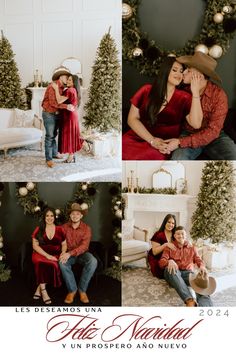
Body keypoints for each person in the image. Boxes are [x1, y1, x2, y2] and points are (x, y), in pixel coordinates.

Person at [122, 56, 203, 160]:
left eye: (181, 71)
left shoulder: (184, 97)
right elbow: (132, 119)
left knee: (144, 160)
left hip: (162, 145)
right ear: (165, 70)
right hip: (137, 137)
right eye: (174, 70)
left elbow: (196, 124)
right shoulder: (146, 90)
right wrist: (152, 140)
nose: (179, 74)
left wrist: (195, 92)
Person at [166, 51, 236, 160]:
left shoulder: (218, 95)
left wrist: (180, 142)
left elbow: (213, 131)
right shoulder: (183, 91)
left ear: (199, 76)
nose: (183, 72)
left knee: (233, 158)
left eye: (188, 70)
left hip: (215, 137)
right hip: (189, 133)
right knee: (177, 161)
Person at [159, 226, 215, 307]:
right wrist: (169, 261)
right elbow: (161, 263)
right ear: (174, 236)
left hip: (188, 273)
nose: (180, 236)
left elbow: (198, 260)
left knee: (200, 283)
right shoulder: (169, 247)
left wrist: (202, 266)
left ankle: (206, 308)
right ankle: (189, 300)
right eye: (178, 234)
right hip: (173, 274)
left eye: (182, 234)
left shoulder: (192, 248)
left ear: (186, 235)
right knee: (170, 270)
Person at [59, 203, 97, 304]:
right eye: (73, 214)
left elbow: (84, 246)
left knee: (93, 261)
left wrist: (70, 253)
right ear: (70, 215)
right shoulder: (64, 227)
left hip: (82, 254)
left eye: (77, 214)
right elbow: (61, 242)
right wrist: (64, 253)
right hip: (68, 254)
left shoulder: (86, 228)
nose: (75, 216)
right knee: (62, 263)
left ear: (81, 215)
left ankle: (82, 290)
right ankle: (72, 290)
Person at [41, 66, 75, 168]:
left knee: (54, 135)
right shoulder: (52, 86)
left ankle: (54, 153)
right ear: (61, 77)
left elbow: (61, 100)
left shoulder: (63, 88)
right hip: (49, 114)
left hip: (57, 114)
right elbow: (53, 103)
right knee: (49, 136)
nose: (68, 79)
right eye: (66, 77)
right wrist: (67, 106)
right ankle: (48, 159)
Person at [32, 207, 66, 304]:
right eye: (47, 216)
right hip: (39, 254)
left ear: (54, 217)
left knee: (54, 265)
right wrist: (47, 256)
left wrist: (63, 252)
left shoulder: (60, 229)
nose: (49, 218)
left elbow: (64, 244)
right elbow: (35, 246)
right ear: (44, 217)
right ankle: (44, 291)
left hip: (55, 254)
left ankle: (39, 287)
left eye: (52, 216)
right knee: (40, 263)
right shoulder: (39, 229)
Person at [52, 74, 84, 163]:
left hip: (69, 116)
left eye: (70, 80)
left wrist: (55, 89)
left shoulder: (70, 90)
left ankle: (71, 156)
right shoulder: (74, 90)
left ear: (74, 82)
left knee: (69, 136)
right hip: (72, 115)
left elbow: (59, 100)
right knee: (71, 136)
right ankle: (71, 155)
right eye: (68, 80)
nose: (68, 81)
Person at [148, 214, 176, 278]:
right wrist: (166, 244)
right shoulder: (158, 234)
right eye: (169, 222)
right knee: (160, 273)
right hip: (157, 257)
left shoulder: (175, 234)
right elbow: (154, 252)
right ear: (165, 222)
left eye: (173, 223)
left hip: (168, 256)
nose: (171, 225)